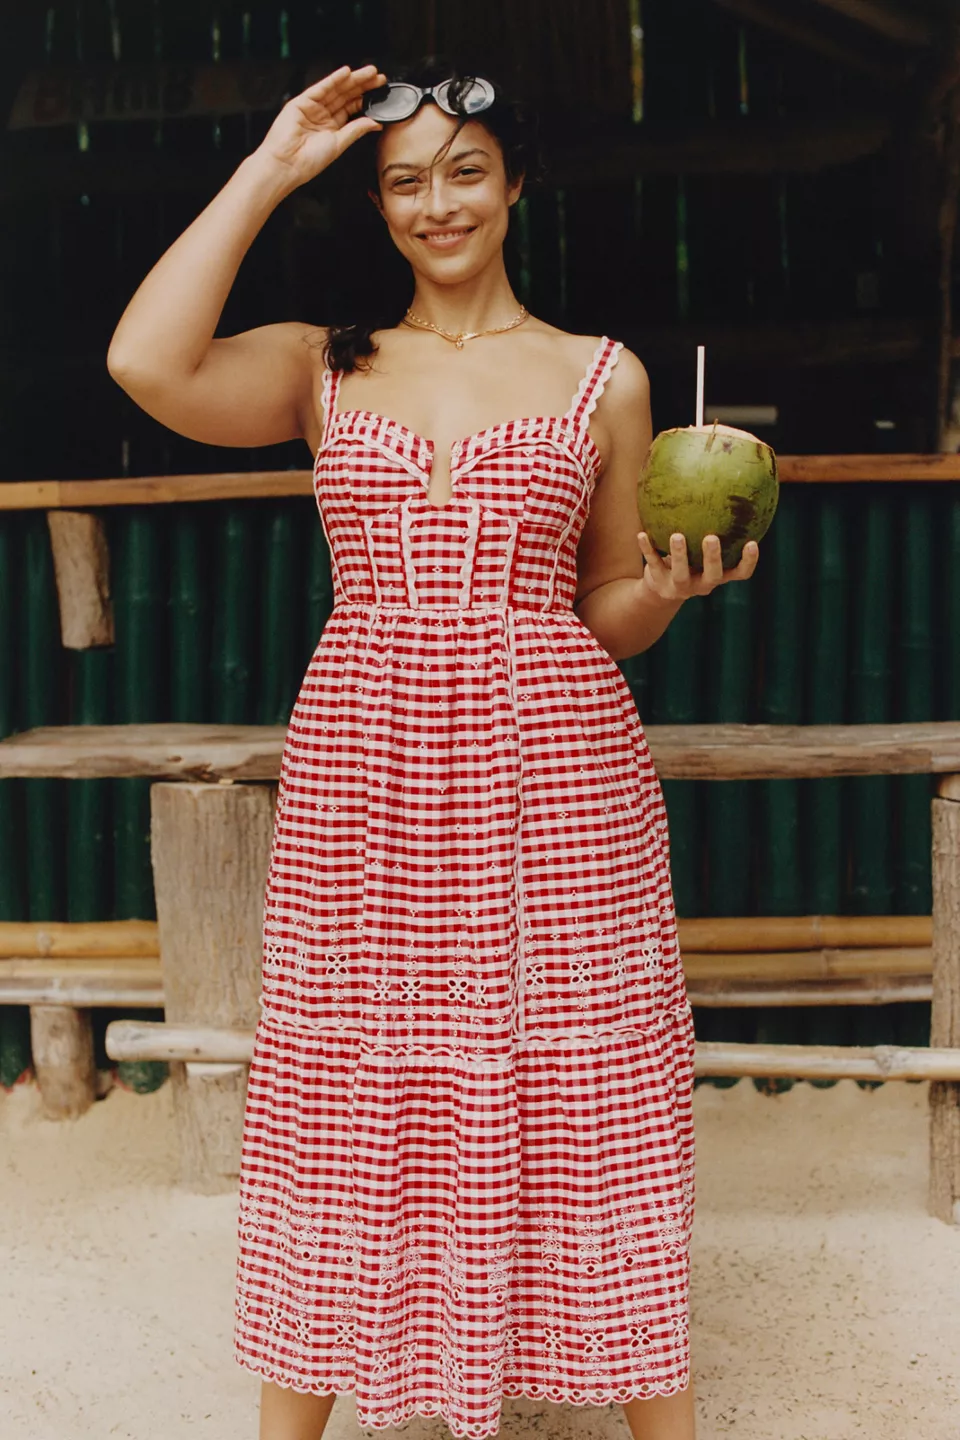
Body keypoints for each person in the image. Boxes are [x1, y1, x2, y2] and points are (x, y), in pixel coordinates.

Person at [107, 55, 759, 1440]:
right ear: (379, 205)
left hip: (559, 758)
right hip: (368, 761)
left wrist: (674, 586)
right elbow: (143, 361)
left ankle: (659, 1415)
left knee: (589, 1067)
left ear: (516, 184)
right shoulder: (319, 363)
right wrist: (276, 161)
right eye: (405, 182)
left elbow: (606, 609)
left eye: (465, 170)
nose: (436, 203)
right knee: (351, 1071)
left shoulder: (604, 377)